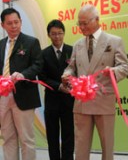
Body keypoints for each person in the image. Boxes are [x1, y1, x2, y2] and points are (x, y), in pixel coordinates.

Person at [62, 4, 128, 160]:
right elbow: (71, 67)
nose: (82, 27)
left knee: (107, 146)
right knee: (80, 147)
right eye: (80, 24)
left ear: (97, 20)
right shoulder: (78, 44)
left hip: (103, 100)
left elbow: (124, 67)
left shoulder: (114, 41)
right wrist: (66, 75)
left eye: (85, 23)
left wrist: (112, 71)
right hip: (81, 102)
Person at [0, 8, 43, 160]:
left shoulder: (31, 42)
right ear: (2, 25)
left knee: (26, 139)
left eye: (16, 22)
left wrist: (23, 74)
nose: (14, 26)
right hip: (3, 97)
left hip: (23, 94)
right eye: (9, 23)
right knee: (8, 137)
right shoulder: (0, 44)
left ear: (21, 22)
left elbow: (38, 65)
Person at [39, 19, 74, 160]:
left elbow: (77, 72)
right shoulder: (43, 53)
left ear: (64, 33)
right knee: (52, 137)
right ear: (49, 35)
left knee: (68, 136)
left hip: (69, 101)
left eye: (60, 33)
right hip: (52, 101)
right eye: (54, 34)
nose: (57, 37)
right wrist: (58, 86)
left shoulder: (71, 51)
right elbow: (41, 77)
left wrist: (72, 83)